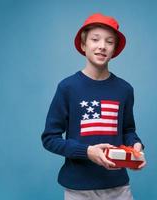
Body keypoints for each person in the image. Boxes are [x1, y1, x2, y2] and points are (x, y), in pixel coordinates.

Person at [41, 13, 146, 200]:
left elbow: (128, 129)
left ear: (115, 49)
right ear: (83, 45)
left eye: (109, 41)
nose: (102, 46)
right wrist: (87, 152)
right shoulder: (67, 88)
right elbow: (50, 138)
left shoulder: (124, 89)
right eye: (95, 39)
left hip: (118, 187)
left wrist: (135, 145)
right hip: (78, 189)